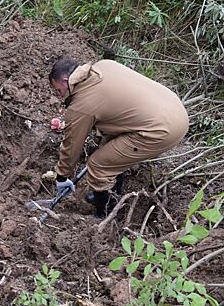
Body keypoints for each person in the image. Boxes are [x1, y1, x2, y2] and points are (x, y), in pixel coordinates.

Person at [49, 59, 189, 219]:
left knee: (98, 165)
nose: (60, 96)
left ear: (66, 81)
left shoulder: (81, 105)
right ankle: (111, 194)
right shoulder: (104, 65)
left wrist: (62, 177)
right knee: (108, 150)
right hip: (173, 107)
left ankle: (103, 215)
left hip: (162, 130)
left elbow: (72, 145)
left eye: (59, 91)